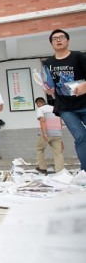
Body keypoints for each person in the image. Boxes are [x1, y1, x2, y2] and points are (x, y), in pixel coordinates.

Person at [43, 29, 86, 171]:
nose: (58, 40)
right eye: (55, 39)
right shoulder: (48, 62)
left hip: (84, 103)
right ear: (51, 43)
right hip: (66, 108)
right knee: (80, 137)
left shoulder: (78, 56)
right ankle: (85, 170)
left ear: (67, 40)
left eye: (61, 37)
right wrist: (49, 90)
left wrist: (84, 85)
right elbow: (50, 84)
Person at [34, 97, 65, 173]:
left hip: (47, 133)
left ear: (38, 103)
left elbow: (42, 121)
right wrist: (60, 135)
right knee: (58, 152)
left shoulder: (41, 109)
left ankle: (42, 167)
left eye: (37, 104)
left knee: (39, 149)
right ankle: (60, 171)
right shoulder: (55, 108)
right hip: (57, 133)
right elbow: (60, 122)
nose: (37, 106)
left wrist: (44, 133)